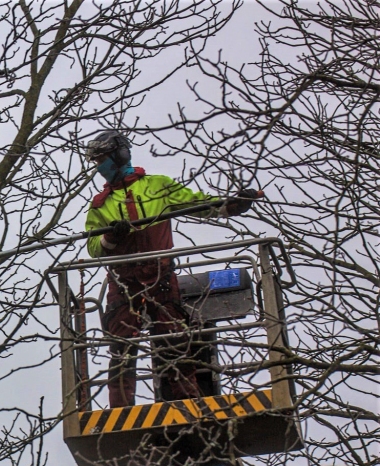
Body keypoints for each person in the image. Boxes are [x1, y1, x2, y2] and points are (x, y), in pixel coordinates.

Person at [83, 129, 261, 407]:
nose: (99, 166)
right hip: (124, 283)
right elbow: (93, 248)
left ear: (119, 154)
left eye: (102, 158)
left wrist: (231, 206)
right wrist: (111, 236)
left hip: (160, 277)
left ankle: (187, 402)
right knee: (121, 349)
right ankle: (121, 410)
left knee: (174, 342)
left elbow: (198, 204)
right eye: (96, 160)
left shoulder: (158, 186)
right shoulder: (100, 206)